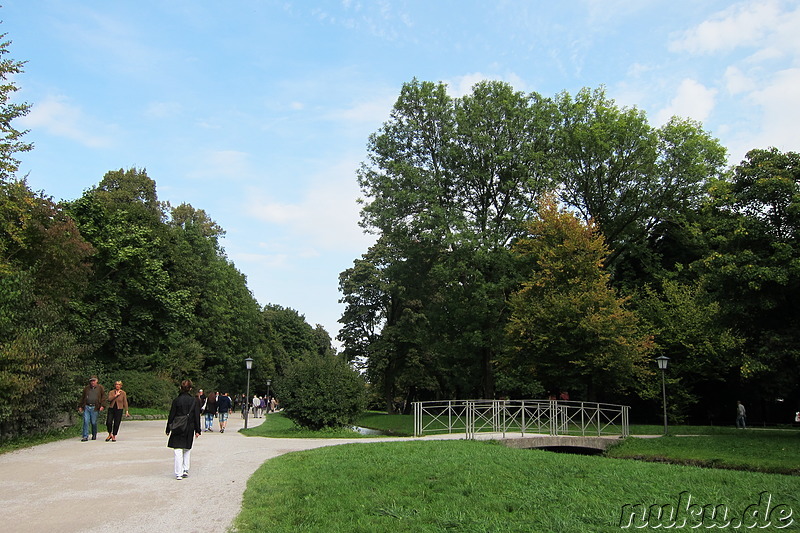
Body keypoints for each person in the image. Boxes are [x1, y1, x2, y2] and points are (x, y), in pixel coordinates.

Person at [166, 379, 202, 480]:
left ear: (180, 388)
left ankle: (178, 473)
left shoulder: (176, 400)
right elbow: (196, 416)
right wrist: (198, 430)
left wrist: (168, 428)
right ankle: (185, 469)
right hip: (189, 426)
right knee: (187, 448)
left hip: (178, 426)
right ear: (190, 389)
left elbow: (171, 415)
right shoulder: (193, 401)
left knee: (177, 449)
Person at [78, 376, 106, 442]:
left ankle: (94, 434)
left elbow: (103, 397)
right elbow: (82, 397)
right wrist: (80, 406)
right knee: (86, 421)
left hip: (95, 407)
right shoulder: (86, 388)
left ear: (97, 381)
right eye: (91, 381)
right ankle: (85, 436)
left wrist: (103, 405)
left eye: (94, 381)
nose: (92, 382)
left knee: (93, 422)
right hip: (87, 407)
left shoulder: (100, 388)